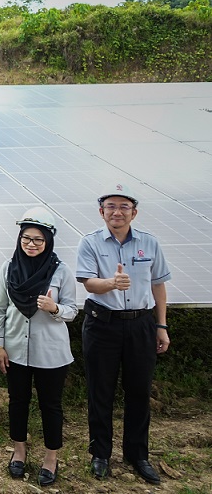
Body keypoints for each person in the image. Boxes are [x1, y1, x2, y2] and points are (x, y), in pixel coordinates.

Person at [77, 182, 171, 484]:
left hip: (141, 324)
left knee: (139, 391)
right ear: (101, 212)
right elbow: (89, 283)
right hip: (102, 324)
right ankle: (100, 454)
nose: (117, 212)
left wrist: (161, 326)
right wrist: (112, 283)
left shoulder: (150, 243)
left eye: (124, 207)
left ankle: (137, 454)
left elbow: (158, 285)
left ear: (134, 213)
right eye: (111, 206)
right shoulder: (89, 242)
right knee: (100, 391)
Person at [0, 207, 77, 487]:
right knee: (18, 401)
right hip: (15, 349)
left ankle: (51, 457)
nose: (31, 244)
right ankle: (19, 451)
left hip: (51, 352)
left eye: (38, 239)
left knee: (51, 405)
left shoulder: (61, 271)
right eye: (26, 238)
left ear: (48, 241)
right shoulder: (8, 268)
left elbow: (73, 311)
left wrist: (55, 308)